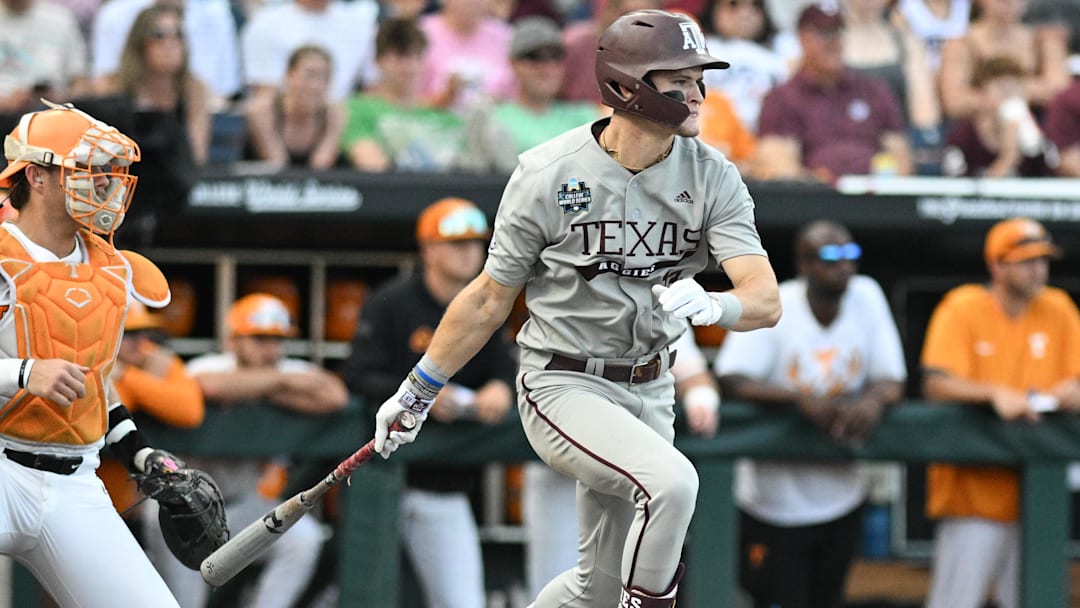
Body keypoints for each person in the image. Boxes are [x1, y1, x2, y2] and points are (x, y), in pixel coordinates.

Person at [368, 10, 782, 607]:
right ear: (626, 86)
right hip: (563, 380)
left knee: (597, 591)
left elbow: (764, 299)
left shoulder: (714, 175)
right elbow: (489, 298)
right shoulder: (546, 173)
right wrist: (417, 390)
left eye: (699, 80)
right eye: (678, 83)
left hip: (651, 383)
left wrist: (718, 304)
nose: (696, 95)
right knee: (673, 484)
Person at [0, 101, 186, 606]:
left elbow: (96, 385)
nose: (105, 183)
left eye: (109, 171)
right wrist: (20, 373)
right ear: (36, 176)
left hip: (74, 479)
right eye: (89, 169)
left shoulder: (115, 267)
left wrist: (140, 451)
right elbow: (34, 373)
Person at [713, 219, 906, 608]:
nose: (844, 266)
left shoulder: (866, 296)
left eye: (851, 255)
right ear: (803, 264)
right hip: (773, 501)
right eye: (831, 256)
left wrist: (872, 401)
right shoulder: (777, 302)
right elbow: (731, 378)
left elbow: (892, 380)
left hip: (843, 491)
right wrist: (799, 399)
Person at [342, 197, 516, 608]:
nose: (469, 251)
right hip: (377, 480)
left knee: (461, 601)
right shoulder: (393, 301)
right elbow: (358, 374)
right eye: (457, 243)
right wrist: (419, 395)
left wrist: (502, 388)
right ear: (428, 248)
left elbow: (504, 370)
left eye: (476, 243)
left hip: (442, 486)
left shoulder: (489, 306)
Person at [921, 217, 1080, 608]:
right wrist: (994, 394)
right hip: (973, 497)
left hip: (1039, 496)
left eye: (1043, 260)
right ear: (997, 265)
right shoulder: (963, 307)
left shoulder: (1058, 308)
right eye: (1027, 261)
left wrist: (1068, 393)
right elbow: (935, 384)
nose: (1039, 269)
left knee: (1037, 599)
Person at [160, 293, 348, 608]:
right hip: (187, 505)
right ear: (233, 341)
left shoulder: (286, 369)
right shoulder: (212, 364)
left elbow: (335, 396)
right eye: (259, 338)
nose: (270, 349)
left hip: (244, 505)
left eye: (277, 340)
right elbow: (210, 386)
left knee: (304, 538)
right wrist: (280, 384)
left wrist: (262, 385)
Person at [750, 3, 912, 182]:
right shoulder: (783, 98)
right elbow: (779, 166)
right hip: (817, 200)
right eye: (825, 34)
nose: (835, 41)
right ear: (803, 38)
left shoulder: (873, 90)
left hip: (876, 195)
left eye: (839, 31)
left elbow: (900, 156)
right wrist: (818, 184)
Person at [96, 301, 205, 536]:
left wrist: (128, 375)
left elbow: (190, 411)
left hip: (141, 506)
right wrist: (142, 382)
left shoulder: (153, 362)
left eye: (143, 333)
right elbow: (113, 409)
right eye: (129, 334)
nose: (140, 343)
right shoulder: (90, 363)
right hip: (95, 507)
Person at [472, 16, 603, 174]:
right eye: (534, 57)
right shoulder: (493, 117)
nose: (547, 68)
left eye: (555, 56)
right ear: (513, 63)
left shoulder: (585, 116)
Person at [342, 18, 472, 173]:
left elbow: (470, 167)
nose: (410, 67)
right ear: (378, 60)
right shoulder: (356, 110)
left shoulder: (444, 116)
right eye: (400, 57)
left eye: (417, 56)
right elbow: (373, 165)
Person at [90, 0, 242, 108]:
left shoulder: (195, 89)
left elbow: (196, 151)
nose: (170, 44)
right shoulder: (114, 87)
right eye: (159, 35)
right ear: (140, 41)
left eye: (178, 35)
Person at [937, 0, 1069, 120]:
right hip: (980, 132)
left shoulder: (1044, 40)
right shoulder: (961, 44)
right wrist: (1023, 92)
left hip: (1037, 125)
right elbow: (954, 102)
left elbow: (1059, 90)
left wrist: (1005, 91)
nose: (1009, 2)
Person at [940, 56, 1058, 177]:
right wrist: (1007, 158)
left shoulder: (1038, 133)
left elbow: (1049, 183)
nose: (1010, 97)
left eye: (1016, 89)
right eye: (1002, 89)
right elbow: (955, 188)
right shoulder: (962, 136)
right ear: (980, 93)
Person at [241, 0, 379, 102]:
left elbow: (373, 87)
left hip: (345, 121)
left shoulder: (362, 24)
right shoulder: (265, 24)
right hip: (284, 121)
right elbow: (265, 93)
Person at [244, 45, 345, 170]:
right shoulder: (263, 110)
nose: (316, 86)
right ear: (289, 75)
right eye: (310, 75)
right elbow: (277, 165)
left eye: (325, 78)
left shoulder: (334, 113)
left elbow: (321, 167)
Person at [0, 0, 89, 115]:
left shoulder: (60, 18)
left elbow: (80, 81)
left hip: (55, 111)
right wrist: (5, 103)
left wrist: (62, 99)